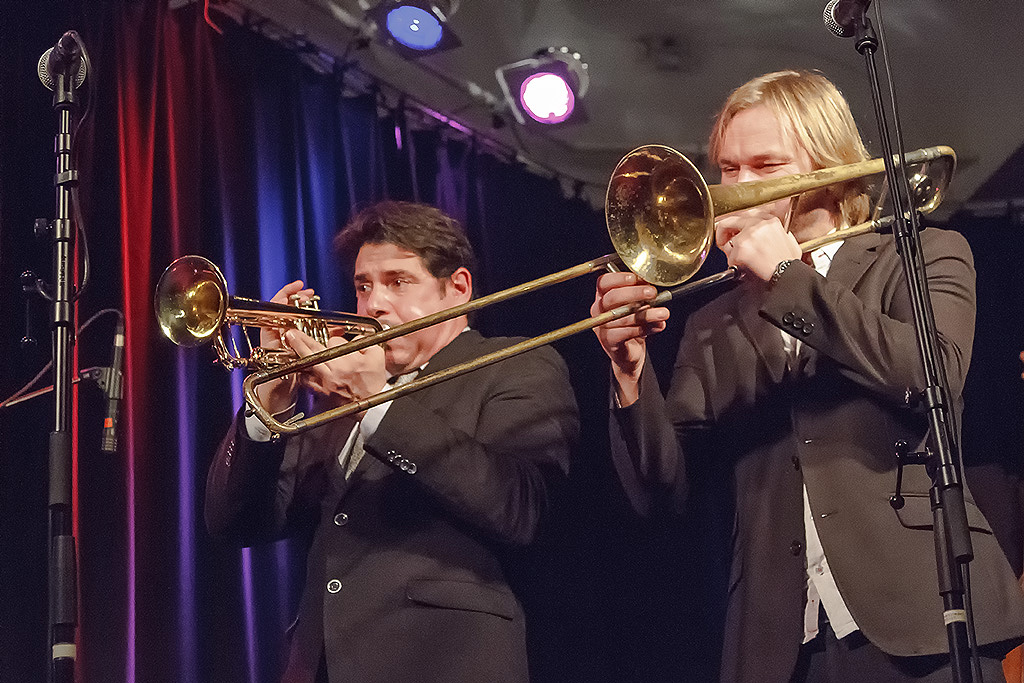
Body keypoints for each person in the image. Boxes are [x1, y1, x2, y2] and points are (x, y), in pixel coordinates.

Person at [591, 70, 1024, 682]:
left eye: (765, 165)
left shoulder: (920, 255)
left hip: (921, 614)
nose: (737, 190)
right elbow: (662, 494)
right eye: (728, 169)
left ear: (832, 169)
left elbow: (930, 377)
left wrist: (790, 280)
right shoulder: (713, 321)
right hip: (778, 643)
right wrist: (630, 375)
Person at [205, 200, 579, 683]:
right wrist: (269, 404)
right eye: (364, 286)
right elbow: (236, 524)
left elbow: (520, 506)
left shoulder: (515, 364)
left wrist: (376, 401)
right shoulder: (340, 399)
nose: (374, 304)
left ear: (457, 288)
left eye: (398, 282)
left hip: (446, 664)